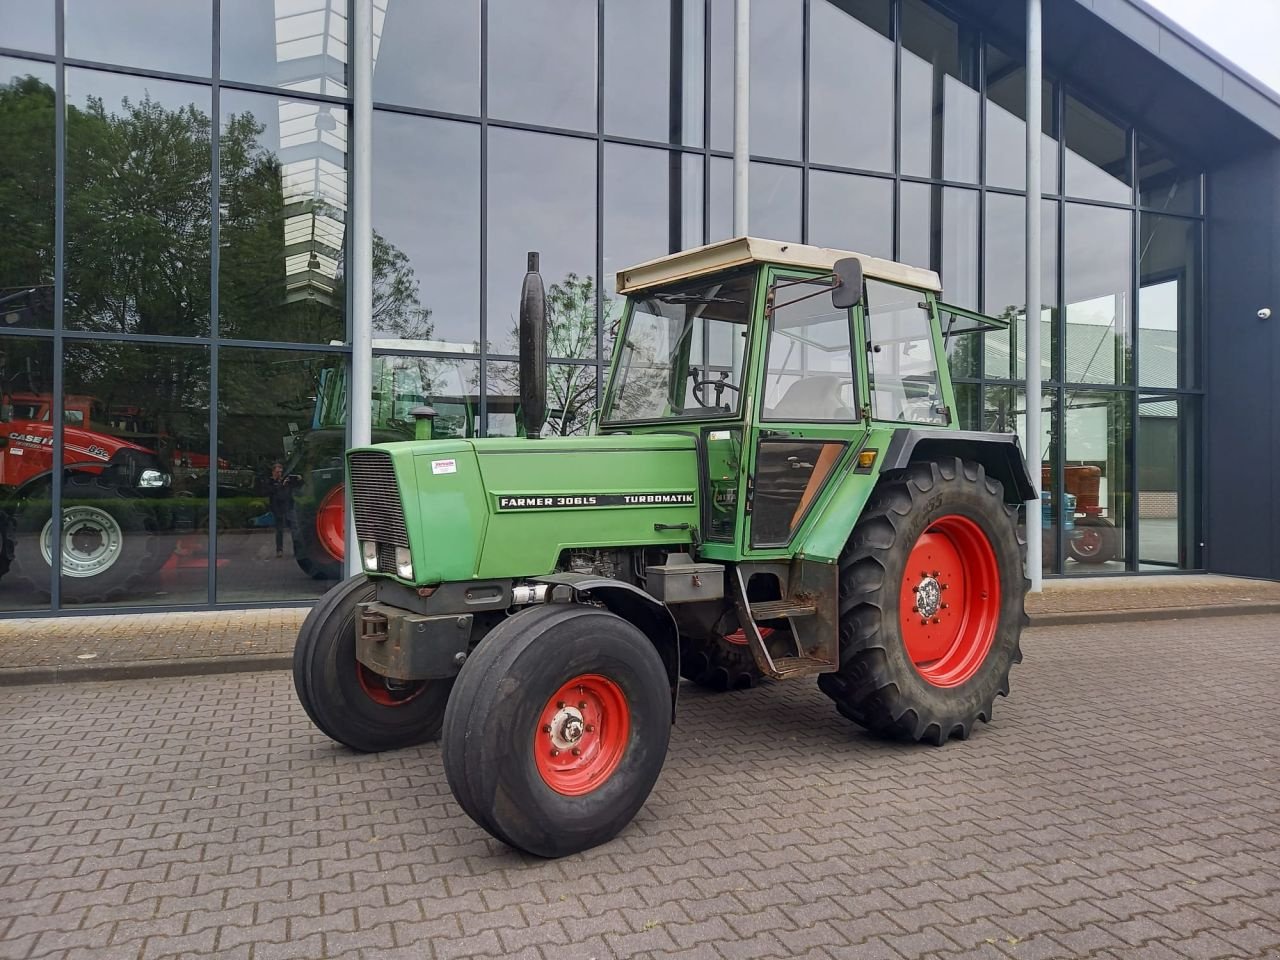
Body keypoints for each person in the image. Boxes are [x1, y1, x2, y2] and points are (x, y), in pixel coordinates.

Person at [267, 462, 299, 558]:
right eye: (277, 472)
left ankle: (297, 550)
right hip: (278, 509)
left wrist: (298, 479)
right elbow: (271, 491)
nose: (279, 474)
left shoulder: (286, 480)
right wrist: (281, 485)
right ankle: (279, 550)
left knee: (295, 530)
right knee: (279, 530)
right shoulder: (270, 482)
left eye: (280, 472)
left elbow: (297, 486)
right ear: (273, 472)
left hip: (289, 507)